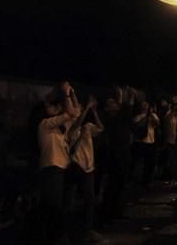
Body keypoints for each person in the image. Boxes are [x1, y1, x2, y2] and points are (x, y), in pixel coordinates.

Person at [38, 82, 80, 245]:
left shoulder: (59, 130)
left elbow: (75, 113)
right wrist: (66, 94)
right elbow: (70, 113)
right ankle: (55, 238)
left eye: (56, 107)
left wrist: (72, 93)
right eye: (53, 107)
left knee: (61, 207)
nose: (55, 109)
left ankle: (58, 236)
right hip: (51, 169)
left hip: (61, 170)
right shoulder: (45, 125)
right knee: (53, 207)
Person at [66, 96, 104, 243]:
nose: (79, 110)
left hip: (89, 167)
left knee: (90, 201)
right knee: (71, 201)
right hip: (76, 166)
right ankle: (69, 231)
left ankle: (87, 230)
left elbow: (101, 128)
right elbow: (76, 125)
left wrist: (94, 112)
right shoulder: (70, 126)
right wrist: (88, 107)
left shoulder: (87, 126)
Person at [98, 86, 132, 223]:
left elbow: (126, 110)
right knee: (114, 185)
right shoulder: (110, 119)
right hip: (116, 156)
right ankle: (109, 212)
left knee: (120, 185)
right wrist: (120, 96)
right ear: (107, 108)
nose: (115, 104)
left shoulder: (119, 118)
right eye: (111, 103)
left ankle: (116, 210)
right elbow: (124, 109)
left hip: (123, 154)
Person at [131, 101, 159, 187]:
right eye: (143, 105)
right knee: (138, 163)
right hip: (140, 142)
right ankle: (136, 180)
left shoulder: (153, 115)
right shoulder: (137, 117)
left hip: (150, 142)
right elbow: (134, 124)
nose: (145, 106)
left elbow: (157, 123)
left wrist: (151, 115)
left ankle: (147, 180)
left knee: (149, 163)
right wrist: (145, 117)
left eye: (146, 105)